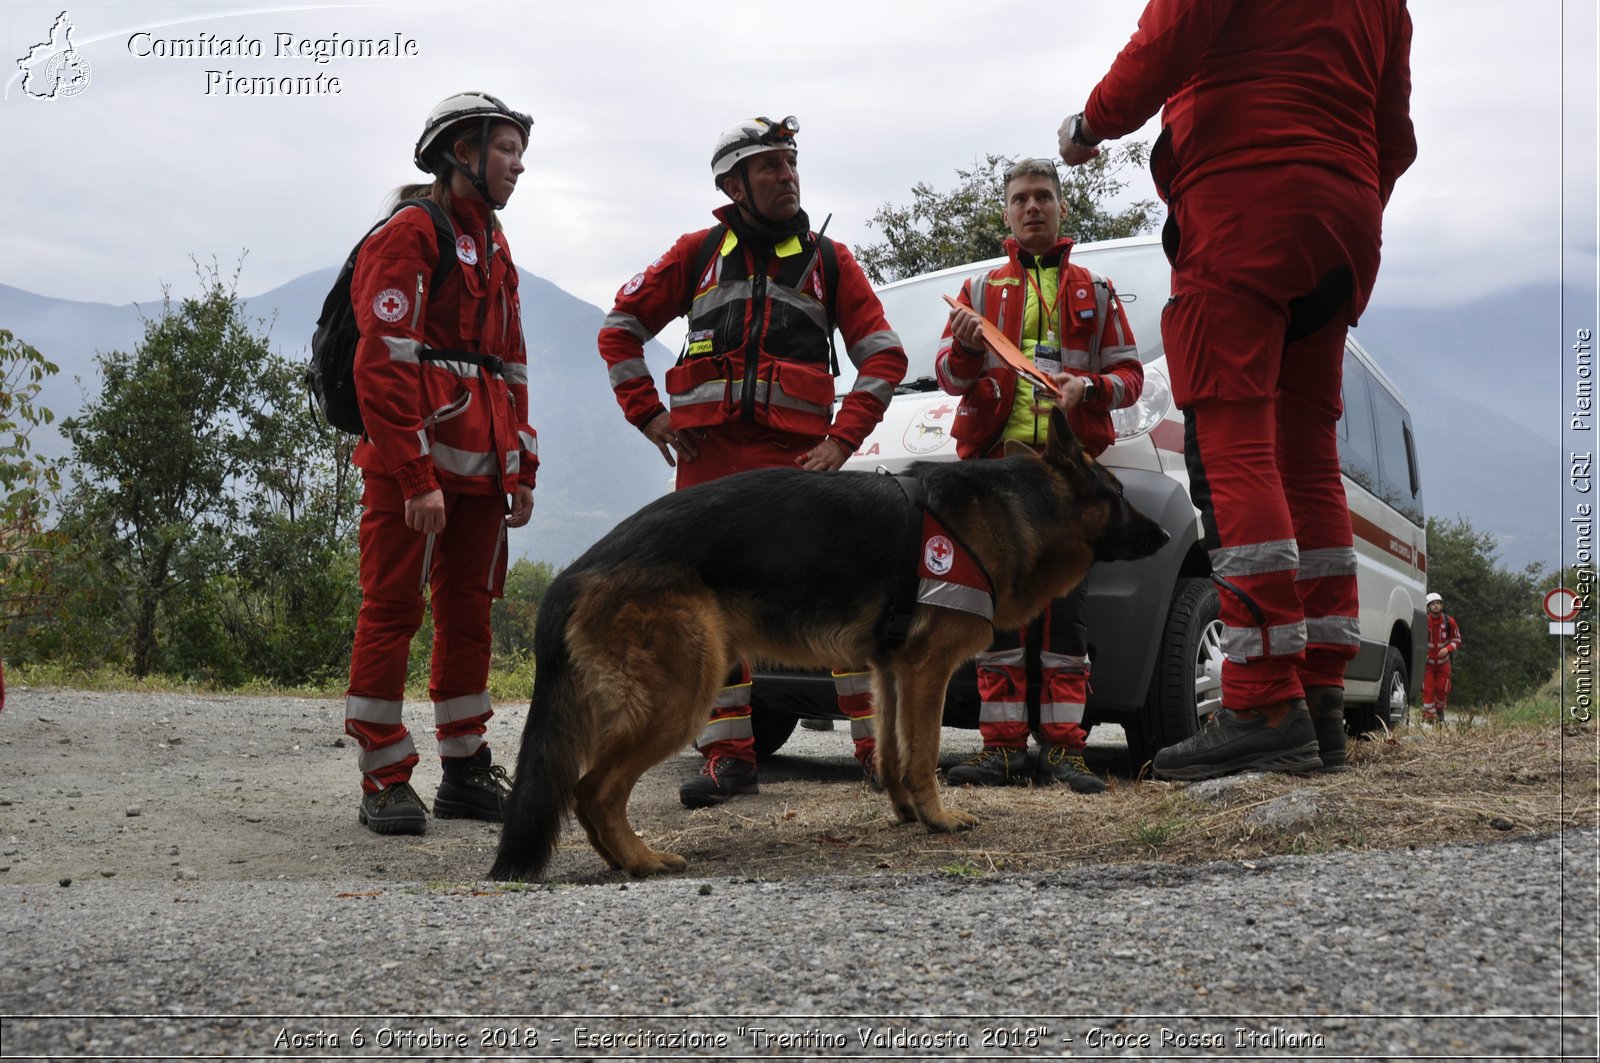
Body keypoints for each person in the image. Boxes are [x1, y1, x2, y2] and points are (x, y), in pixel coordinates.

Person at [1057, 0, 1416, 780]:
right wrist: (1341, 192)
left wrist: (1087, 127)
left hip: (1242, 203)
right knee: (1308, 457)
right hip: (1344, 223)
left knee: (1234, 444)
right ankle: (1320, 697)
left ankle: (1258, 702)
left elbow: (1164, 41)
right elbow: (1397, 137)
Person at [597, 115, 907, 807]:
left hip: (800, 469)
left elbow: (884, 355)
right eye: (769, 166)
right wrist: (649, 414)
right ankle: (728, 758)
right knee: (710, 615)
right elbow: (619, 330)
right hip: (708, 468)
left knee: (835, 607)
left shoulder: (832, 262)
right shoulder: (697, 252)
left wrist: (842, 440)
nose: (786, 175)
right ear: (733, 183)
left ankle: (877, 754)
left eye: (791, 163)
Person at [342, 91, 539, 835]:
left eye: (522, 152)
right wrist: (414, 476)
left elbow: (511, 366)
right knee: (393, 609)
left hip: (485, 474)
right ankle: (384, 775)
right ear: (462, 153)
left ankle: (465, 766)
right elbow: (383, 366)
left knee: (469, 614)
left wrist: (521, 467)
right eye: (506, 150)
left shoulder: (495, 244)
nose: (519, 166)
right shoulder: (410, 233)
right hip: (415, 471)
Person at [935, 158, 1143, 794]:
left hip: (1068, 482)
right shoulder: (975, 295)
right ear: (1005, 213)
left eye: (1043, 197)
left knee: (1064, 617)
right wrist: (969, 347)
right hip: (997, 479)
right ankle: (1000, 750)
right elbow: (948, 378)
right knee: (995, 613)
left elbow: (1131, 378)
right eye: (1021, 198)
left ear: (1061, 209)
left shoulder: (1099, 290)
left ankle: (1063, 749)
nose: (1032, 208)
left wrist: (1093, 387)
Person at [1422, 592, 1461, 723]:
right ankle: (1429, 717)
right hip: (1427, 664)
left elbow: (1457, 640)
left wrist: (1448, 649)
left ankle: (1439, 710)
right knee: (1428, 690)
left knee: (1442, 690)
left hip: (1443, 663)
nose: (1436, 606)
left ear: (1442, 605)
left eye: (1438, 603)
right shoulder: (1424, 621)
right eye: (1433, 604)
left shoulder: (1449, 622)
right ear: (1428, 607)